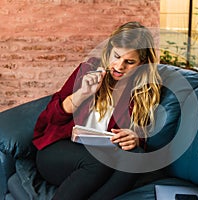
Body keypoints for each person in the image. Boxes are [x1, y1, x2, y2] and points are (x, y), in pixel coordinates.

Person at [32, 21, 162, 200]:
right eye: (116, 56)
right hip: (59, 153)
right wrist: (82, 93)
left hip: (103, 160)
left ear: (142, 63)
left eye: (129, 62)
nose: (119, 66)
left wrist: (135, 138)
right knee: (97, 161)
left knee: (137, 156)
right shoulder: (88, 69)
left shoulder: (144, 90)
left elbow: (140, 134)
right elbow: (50, 118)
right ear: (109, 50)